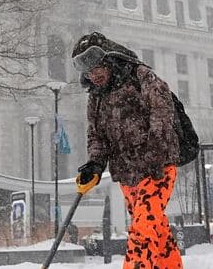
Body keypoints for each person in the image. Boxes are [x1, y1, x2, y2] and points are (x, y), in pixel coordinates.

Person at [72, 32, 183, 269]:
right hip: (127, 174)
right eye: (88, 71)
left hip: (157, 168)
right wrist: (95, 164)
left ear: (109, 59)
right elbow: (97, 135)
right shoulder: (96, 97)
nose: (94, 75)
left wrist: (154, 156)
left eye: (96, 67)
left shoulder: (140, 76)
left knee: (143, 228)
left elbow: (162, 115)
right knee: (155, 228)